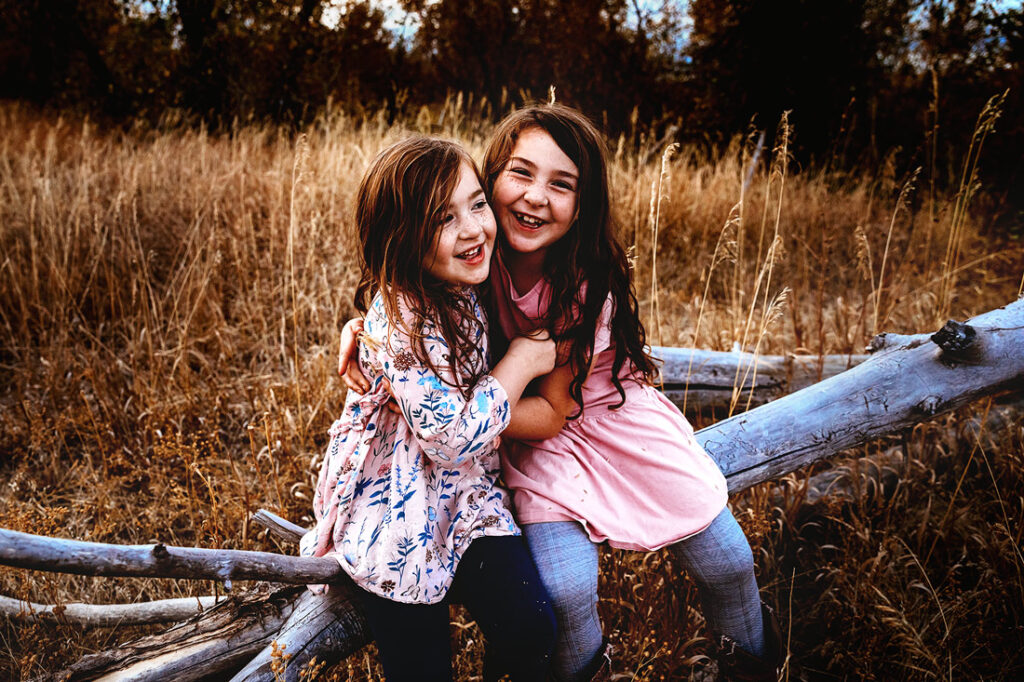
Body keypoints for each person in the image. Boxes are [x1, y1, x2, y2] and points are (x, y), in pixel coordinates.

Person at [341, 105, 784, 682]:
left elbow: (553, 409)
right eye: (520, 174)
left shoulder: (583, 277)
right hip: (524, 433)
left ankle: (751, 666)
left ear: (584, 204)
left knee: (728, 559)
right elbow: (405, 288)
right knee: (566, 586)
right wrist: (363, 334)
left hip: (598, 415)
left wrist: (453, 415)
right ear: (490, 176)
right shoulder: (475, 247)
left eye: (562, 184)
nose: (534, 198)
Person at [303, 136, 557, 682]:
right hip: (398, 510)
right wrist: (519, 362)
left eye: (477, 203)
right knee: (422, 670)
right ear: (400, 240)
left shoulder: (469, 277)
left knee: (532, 628)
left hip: (469, 500)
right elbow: (449, 439)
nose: (472, 229)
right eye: (443, 218)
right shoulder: (399, 320)